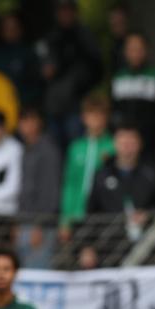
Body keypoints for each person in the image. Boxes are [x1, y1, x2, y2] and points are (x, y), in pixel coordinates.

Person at [36, 0, 102, 147]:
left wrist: (78, 84)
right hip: (53, 105)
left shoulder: (84, 36)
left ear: (75, 12)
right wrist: (45, 72)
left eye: (68, 10)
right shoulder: (50, 37)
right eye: (61, 10)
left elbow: (96, 68)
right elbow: (40, 69)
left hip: (76, 106)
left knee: (76, 148)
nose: (65, 14)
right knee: (54, 150)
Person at [86, 124, 155, 241]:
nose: (127, 148)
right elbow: (90, 213)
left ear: (140, 144)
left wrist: (148, 216)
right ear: (115, 144)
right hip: (108, 244)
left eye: (131, 143)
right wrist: (87, 246)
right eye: (123, 143)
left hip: (146, 244)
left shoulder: (153, 174)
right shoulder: (101, 175)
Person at [59, 95, 115, 241]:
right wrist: (65, 219)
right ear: (83, 117)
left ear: (106, 117)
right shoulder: (76, 148)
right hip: (78, 214)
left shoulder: (114, 146)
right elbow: (70, 184)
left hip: (105, 216)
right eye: (91, 114)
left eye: (100, 114)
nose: (95, 119)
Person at [110, 32, 155, 155]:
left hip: (150, 143)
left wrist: (147, 130)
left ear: (146, 50)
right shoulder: (118, 78)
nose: (135, 53)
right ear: (125, 51)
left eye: (139, 49)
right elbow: (113, 110)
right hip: (123, 144)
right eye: (131, 49)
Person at [16, 108, 61, 268]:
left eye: (30, 120)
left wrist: (39, 225)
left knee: (38, 274)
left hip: (41, 226)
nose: (26, 126)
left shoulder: (48, 150)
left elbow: (50, 191)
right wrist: (18, 223)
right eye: (23, 121)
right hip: (24, 222)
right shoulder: (24, 150)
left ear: (39, 122)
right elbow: (23, 189)